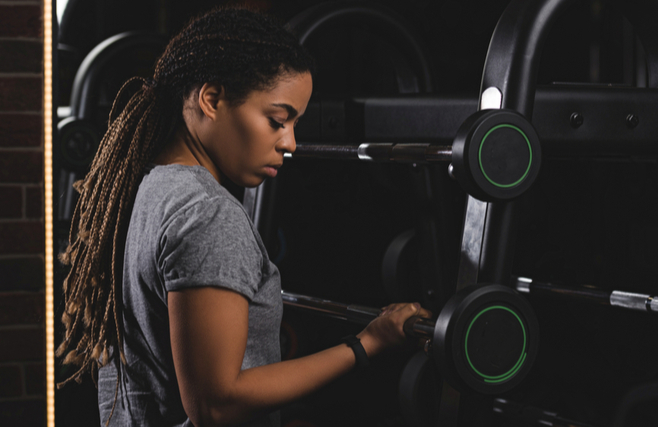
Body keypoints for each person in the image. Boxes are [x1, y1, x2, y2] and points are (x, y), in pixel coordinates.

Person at [56, 7, 431, 427]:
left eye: (293, 123)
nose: (289, 142)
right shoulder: (207, 214)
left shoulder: (143, 188)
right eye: (276, 120)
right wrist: (368, 343)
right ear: (211, 100)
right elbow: (217, 404)